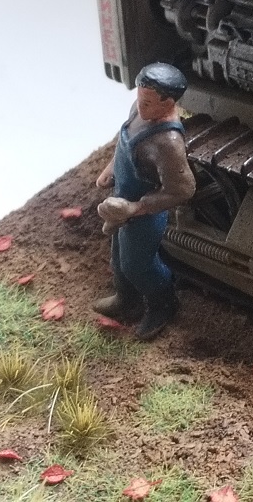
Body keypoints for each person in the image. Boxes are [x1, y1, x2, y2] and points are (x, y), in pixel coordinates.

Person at [95, 62, 196, 340]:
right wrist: (110, 169)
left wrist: (136, 208)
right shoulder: (139, 110)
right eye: (140, 97)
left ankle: (163, 304)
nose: (141, 105)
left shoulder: (168, 142)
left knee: (138, 265)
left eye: (148, 102)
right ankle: (126, 300)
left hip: (144, 213)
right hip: (121, 200)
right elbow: (124, 144)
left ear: (168, 102)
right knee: (118, 259)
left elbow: (183, 189)